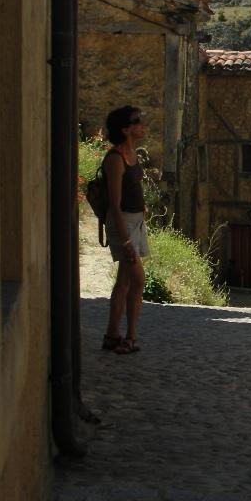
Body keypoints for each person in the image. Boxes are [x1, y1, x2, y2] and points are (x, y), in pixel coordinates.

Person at [101, 105, 148, 355]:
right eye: (137, 121)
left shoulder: (132, 154)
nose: (142, 124)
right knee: (138, 280)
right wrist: (126, 241)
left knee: (124, 282)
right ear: (125, 129)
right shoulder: (115, 159)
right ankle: (129, 337)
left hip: (136, 222)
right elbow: (115, 205)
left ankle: (111, 335)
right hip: (124, 225)